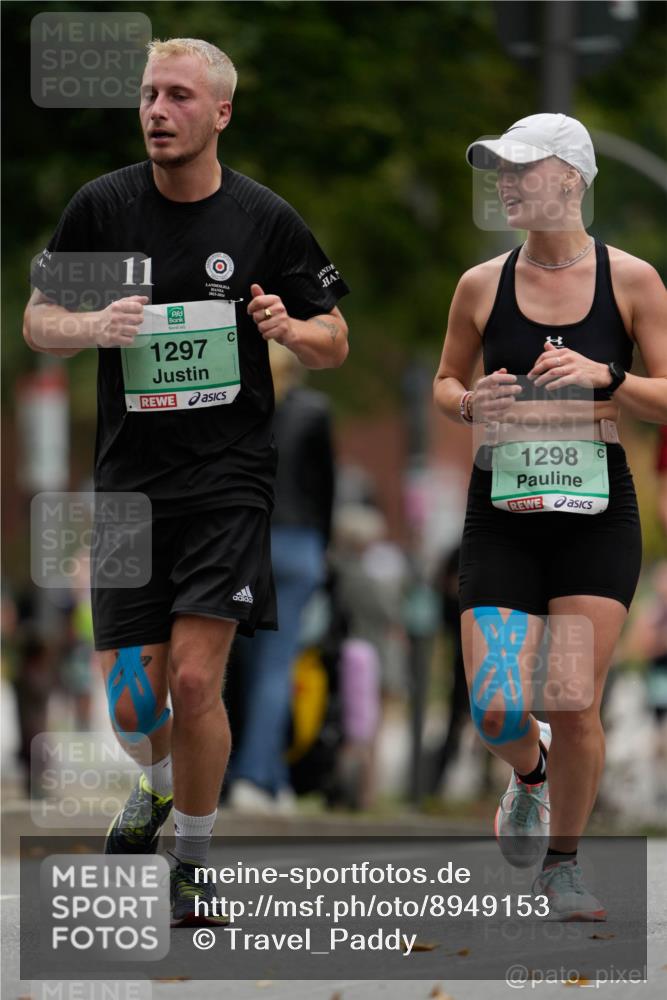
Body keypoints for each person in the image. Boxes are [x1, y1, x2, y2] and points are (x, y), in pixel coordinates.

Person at [23, 37, 349, 927]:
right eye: (147, 95)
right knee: (134, 700)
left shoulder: (264, 222)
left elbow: (335, 338)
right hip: (128, 486)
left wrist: (288, 326)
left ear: (219, 113)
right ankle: (158, 780)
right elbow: (37, 321)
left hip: (228, 483)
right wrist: (93, 325)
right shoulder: (103, 208)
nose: (157, 111)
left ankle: (193, 863)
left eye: (176, 97)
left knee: (198, 684)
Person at [433, 113, 666, 920]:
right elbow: (443, 381)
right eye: (496, 166)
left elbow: (664, 399)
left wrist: (604, 377)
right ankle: (527, 776)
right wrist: (467, 401)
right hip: (502, 511)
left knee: (571, 700)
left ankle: (561, 866)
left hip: (595, 511)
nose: (503, 180)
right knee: (496, 702)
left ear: (569, 178)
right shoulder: (479, 284)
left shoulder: (631, 280)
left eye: (520, 167)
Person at [227, 341, 335, 813]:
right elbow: (326, 488)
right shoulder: (314, 412)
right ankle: (261, 777)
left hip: (244, 542)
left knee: (239, 667)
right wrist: (323, 549)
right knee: (276, 666)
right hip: (297, 546)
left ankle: (253, 775)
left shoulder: (235, 405)